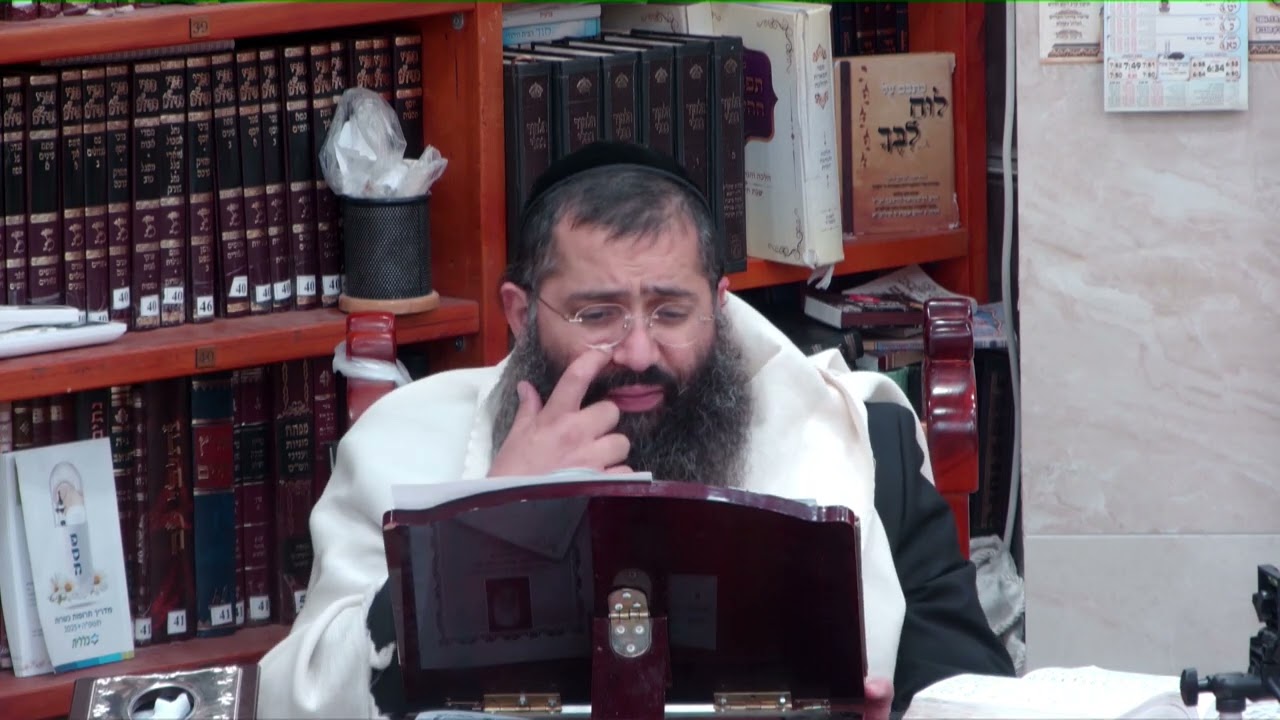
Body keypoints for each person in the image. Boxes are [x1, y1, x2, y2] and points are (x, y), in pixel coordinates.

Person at [257, 142, 1014, 719]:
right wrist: (480, 520)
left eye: (671, 311)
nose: (641, 352)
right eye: (598, 314)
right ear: (521, 314)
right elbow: (297, 700)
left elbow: (971, 693)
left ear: (719, 306)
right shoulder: (400, 447)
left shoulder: (860, 441)